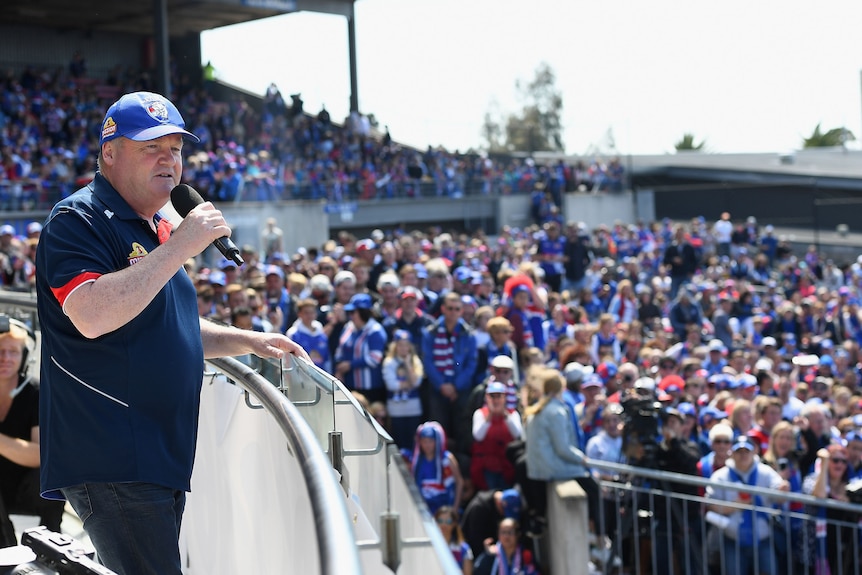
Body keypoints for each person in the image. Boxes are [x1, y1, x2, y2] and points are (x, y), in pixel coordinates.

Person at [35, 91, 310, 575]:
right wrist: (182, 244)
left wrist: (247, 341)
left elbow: (168, 324)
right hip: (115, 451)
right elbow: (93, 313)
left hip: (155, 451)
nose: (168, 160)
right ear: (110, 153)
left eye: (176, 149)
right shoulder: (76, 219)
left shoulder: (156, 225)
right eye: (150, 147)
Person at [0, 318, 65, 548]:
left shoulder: (35, 393)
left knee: (53, 473)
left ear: (24, 355)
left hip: (28, 489)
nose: (6, 358)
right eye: (0, 351)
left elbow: (39, 455)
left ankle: (51, 550)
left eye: (13, 352)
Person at [706, 436, 788, 575]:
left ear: (754, 451)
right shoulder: (720, 476)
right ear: (732, 452)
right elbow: (710, 504)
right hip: (732, 540)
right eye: (739, 451)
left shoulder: (766, 472)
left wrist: (784, 489)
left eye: (746, 451)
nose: (743, 455)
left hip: (763, 539)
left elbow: (780, 497)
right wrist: (737, 505)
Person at [334, 292, 388, 405]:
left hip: (370, 388)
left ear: (364, 313)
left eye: (354, 312)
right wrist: (339, 369)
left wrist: (350, 365)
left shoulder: (375, 331)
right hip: (349, 385)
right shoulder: (348, 327)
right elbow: (339, 351)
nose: (351, 316)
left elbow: (375, 358)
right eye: (349, 312)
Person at [470, 380, 523, 491]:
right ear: (487, 397)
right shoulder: (480, 414)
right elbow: (478, 436)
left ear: (504, 398)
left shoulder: (513, 414)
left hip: (507, 467)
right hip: (487, 467)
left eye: (499, 396)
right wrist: (489, 417)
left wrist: (505, 416)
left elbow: (517, 433)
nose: (495, 400)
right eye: (492, 396)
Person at [409, 421, 463, 515]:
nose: (427, 445)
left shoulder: (447, 459)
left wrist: (455, 507)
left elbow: (459, 482)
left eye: (430, 441)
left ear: (437, 441)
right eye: (424, 441)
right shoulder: (417, 461)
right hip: (424, 507)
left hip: (444, 507)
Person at [382, 330, 424, 451]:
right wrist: (408, 384)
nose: (403, 348)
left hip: (413, 410)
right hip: (396, 411)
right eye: (400, 344)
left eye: (406, 344)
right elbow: (391, 385)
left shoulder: (415, 362)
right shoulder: (389, 362)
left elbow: (416, 382)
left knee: (413, 444)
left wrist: (408, 364)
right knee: (399, 444)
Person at [473, 517, 539, 575]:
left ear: (518, 534)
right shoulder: (490, 555)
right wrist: (488, 555)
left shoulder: (525, 555)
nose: (506, 536)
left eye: (510, 532)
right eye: (503, 532)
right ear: (498, 534)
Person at [434, 505, 474, 575]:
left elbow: (467, 573)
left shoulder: (464, 549)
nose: (444, 524)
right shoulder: (430, 546)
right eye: (440, 521)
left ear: (454, 523)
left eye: (448, 521)